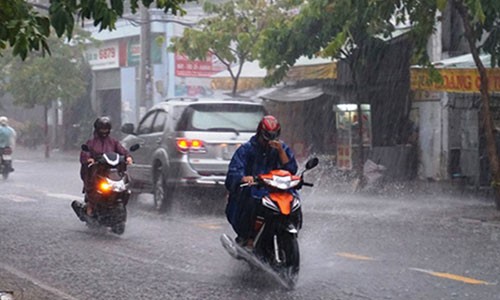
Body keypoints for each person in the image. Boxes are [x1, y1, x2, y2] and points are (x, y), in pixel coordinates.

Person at [224, 115, 297, 249]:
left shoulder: (282, 149)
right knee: (251, 201)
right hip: (256, 190)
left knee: (294, 199)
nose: (270, 141)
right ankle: (249, 237)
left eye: (274, 136)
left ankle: (289, 230)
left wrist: (280, 151)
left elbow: (291, 170)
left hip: (277, 190)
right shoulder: (246, 150)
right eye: (267, 136)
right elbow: (234, 172)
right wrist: (244, 178)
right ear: (260, 133)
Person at [79, 116, 133, 216]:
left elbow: (122, 151)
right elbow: (85, 153)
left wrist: (128, 157)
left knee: (124, 184)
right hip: (98, 172)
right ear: (97, 129)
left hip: (112, 172)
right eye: (102, 129)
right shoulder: (91, 142)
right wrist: (89, 159)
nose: (104, 131)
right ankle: (91, 206)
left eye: (106, 129)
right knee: (92, 186)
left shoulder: (113, 142)